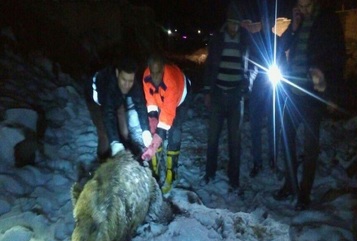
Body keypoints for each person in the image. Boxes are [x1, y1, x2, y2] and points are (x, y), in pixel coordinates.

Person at [273, 0, 346, 210]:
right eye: (300, 6)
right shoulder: (300, 23)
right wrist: (294, 29)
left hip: (312, 95)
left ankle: (304, 194)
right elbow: (283, 46)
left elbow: (337, 56)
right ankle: (289, 184)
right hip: (293, 92)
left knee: (310, 146)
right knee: (286, 139)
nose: (303, 9)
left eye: (307, 5)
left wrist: (327, 80)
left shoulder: (328, 21)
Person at [202, 1, 255, 192]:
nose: (234, 27)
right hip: (218, 95)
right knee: (213, 138)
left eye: (237, 23)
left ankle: (234, 178)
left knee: (235, 140)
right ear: (227, 22)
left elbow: (253, 66)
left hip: (235, 98)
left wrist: (247, 84)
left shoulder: (245, 40)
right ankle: (209, 173)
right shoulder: (217, 39)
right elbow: (209, 67)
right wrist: (207, 91)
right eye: (231, 23)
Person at [141, 53, 191, 194]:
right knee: (154, 130)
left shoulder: (171, 82)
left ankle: (171, 172)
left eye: (158, 73)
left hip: (181, 98)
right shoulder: (146, 77)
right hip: (161, 99)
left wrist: (156, 140)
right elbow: (151, 104)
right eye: (153, 73)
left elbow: (167, 117)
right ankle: (154, 172)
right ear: (149, 69)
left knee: (174, 131)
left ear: (163, 69)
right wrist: (152, 126)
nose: (155, 78)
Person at [85, 57, 151, 160]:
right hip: (96, 100)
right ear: (117, 73)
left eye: (130, 81)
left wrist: (146, 130)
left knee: (124, 131)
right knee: (106, 136)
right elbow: (108, 113)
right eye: (124, 79)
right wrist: (114, 142)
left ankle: (125, 154)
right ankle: (102, 162)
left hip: (117, 96)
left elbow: (141, 106)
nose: (127, 85)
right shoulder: (108, 85)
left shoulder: (133, 83)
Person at [248, 8, 287, 177]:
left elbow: (283, 65)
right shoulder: (254, 40)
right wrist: (248, 83)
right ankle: (257, 161)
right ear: (261, 23)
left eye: (269, 20)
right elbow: (248, 63)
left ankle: (273, 159)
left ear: (272, 23)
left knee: (273, 125)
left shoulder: (278, 41)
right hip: (257, 88)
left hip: (273, 88)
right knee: (255, 126)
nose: (266, 22)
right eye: (263, 20)